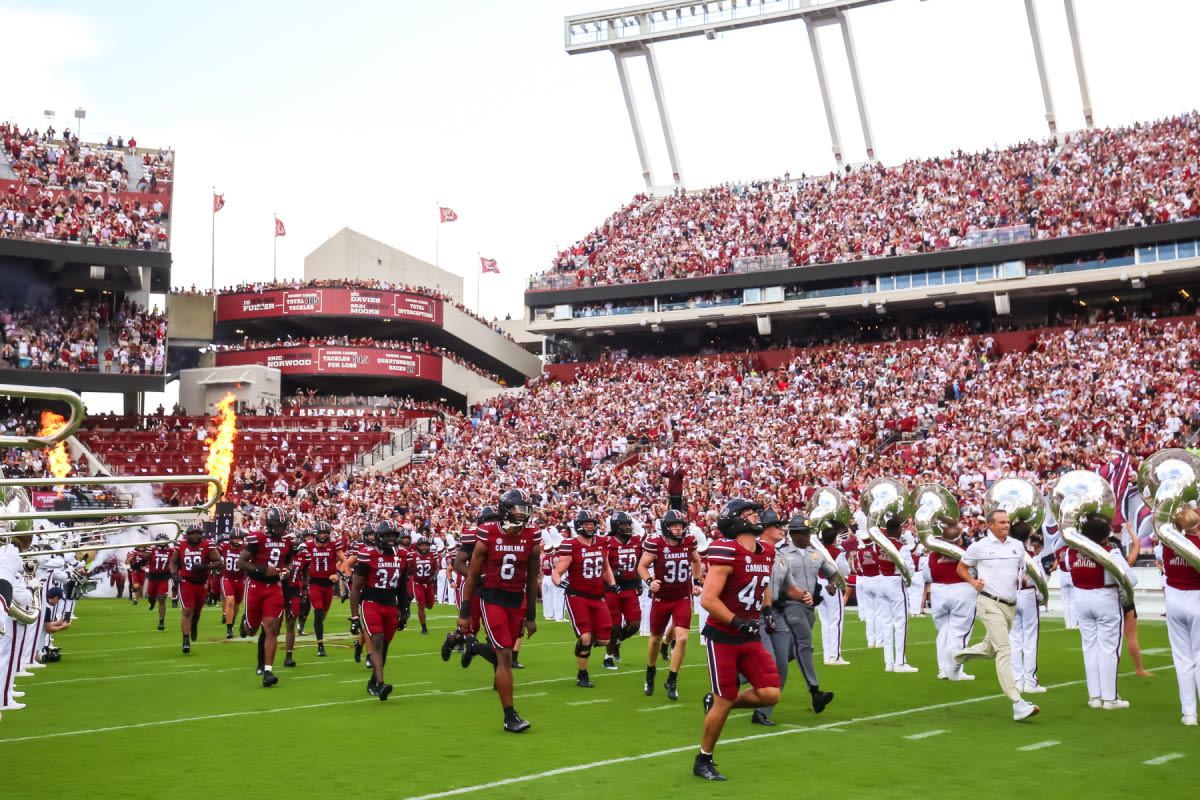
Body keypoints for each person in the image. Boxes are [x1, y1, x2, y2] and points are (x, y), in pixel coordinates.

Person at [694, 498, 780, 782]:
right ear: (734, 520)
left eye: (755, 512)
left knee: (770, 693)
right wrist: (737, 622)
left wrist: (766, 609)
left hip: (749, 632)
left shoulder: (766, 550)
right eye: (749, 512)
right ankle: (703, 759)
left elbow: (763, 583)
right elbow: (708, 598)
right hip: (723, 636)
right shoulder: (726, 550)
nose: (756, 516)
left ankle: (721, 702)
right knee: (725, 698)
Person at [457, 488, 540, 733]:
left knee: (503, 653)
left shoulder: (532, 537)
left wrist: (532, 616)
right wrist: (464, 612)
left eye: (526, 509)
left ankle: (474, 647)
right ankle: (509, 716)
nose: (523, 514)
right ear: (505, 511)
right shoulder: (489, 534)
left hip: (517, 601)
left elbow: (532, 578)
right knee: (505, 656)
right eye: (519, 509)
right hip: (492, 599)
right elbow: (472, 576)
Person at [955, 509, 1040, 721]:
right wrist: (973, 582)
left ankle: (956, 657)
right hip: (988, 602)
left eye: (1008, 522)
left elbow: (1021, 571)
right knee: (1004, 650)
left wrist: (1025, 578)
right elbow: (962, 567)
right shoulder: (979, 547)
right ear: (990, 525)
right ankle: (1018, 703)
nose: (1006, 525)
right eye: (1002, 522)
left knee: (990, 649)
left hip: (1010, 604)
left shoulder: (1017, 546)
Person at [1068, 512, 1136, 710]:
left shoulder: (1070, 551)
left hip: (1080, 598)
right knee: (1109, 649)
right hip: (1105, 598)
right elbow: (1131, 579)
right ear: (1105, 536)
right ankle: (1110, 698)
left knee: (1089, 647)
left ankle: (1095, 697)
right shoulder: (1111, 552)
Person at [639, 508, 702, 701]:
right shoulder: (656, 544)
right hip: (661, 598)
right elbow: (642, 566)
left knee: (682, 638)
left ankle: (672, 679)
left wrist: (697, 582)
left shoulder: (689, 542)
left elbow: (696, 561)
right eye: (674, 526)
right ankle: (650, 671)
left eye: (681, 526)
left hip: (682, 597)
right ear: (667, 528)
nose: (678, 529)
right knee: (655, 638)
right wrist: (650, 581)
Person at [552, 509, 616, 688]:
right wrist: (560, 583)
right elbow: (557, 572)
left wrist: (612, 583)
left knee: (604, 639)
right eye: (586, 523)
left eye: (592, 523)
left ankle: (582, 646)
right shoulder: (571, 544)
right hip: (577, 595)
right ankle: (583, 674)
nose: (590, 526)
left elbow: (606, 567)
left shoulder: (603, 542)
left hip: (598, 596)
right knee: (586, 637)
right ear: (579, 526)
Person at [349, 520, 410, 700]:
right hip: (371, 603)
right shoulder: (368, 555)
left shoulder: (403, 556)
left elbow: (402, 587)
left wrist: (404, 610)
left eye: (393, 536)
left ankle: (372, 683)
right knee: (377, 641)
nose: (391, 539)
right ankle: (382, 684)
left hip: (390, 604)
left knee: (384, 648)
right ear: (379, 537)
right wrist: (354, 617)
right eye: (387, 535)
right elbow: (356, 588)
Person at [237, 506, 297, 687]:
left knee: (271, 629)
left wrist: (287, 570)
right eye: (278, 526)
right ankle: (245, 622)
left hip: (274, 587)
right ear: (270, 525)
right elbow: (241, 562)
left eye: (283, 525)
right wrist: (261, 569)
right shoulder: (257, 538)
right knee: (251, 630)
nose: (281, 529)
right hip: (255, 585)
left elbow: (289, 560)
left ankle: (268, 671)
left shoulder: (288, 539)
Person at [921, 520, 976, 681]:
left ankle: (943, 669)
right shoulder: (967, 553)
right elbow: (974, 572)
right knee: (959, 633)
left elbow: (927, 576)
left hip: (939, 592)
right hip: (963, 590)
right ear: (960, 540)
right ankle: (956, 670)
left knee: (943, 632)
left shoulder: (933, 555)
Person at [862, 517, 918, 672]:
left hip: (882, 580)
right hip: (895, 581)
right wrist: (907, 580)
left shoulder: (879, 544)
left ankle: (889, 662)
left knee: (886, 622)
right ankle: (900, 662)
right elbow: (909, 569)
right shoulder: (901, 546)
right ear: (899, 529)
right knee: (901, 623)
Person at [1163, 507, 1200, 726]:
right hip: (1196, 597)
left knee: (1182, 658)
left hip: (1174, 599)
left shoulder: (1167, 544)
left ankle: (1189, 713)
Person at [168, 523, 220, 654]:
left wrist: (205, 567)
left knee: (196, 612)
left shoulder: (208, 545)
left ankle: (194, 625)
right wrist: (174, 575)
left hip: (201, 583)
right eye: (192, 534)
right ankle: (185, 641)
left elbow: (219, 562)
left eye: (197, 533)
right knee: (187, 611)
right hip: (186, 582)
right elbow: (173, 562)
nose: (195, 536)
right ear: (188, 535)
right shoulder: (181, 545)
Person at [1008, 520, 1047, 693]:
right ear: (1028, 537)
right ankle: (1030, 681)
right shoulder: (1031, 554)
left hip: (1011, 595)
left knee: (1015, 637)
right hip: (1028, 594)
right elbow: (1040, 578)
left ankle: (1017, 680)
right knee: (1030, 638)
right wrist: (1040, 596)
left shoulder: (1006, 552)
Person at [602, 511, 643, 669]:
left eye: (628, 524)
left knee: (635, 624)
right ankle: (608, 656)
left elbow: (638, 563)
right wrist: (612, 574)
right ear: (615, 526)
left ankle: (617, 642)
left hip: (630, 587)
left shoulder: (636, 542)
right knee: (615, 626)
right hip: (613, 588)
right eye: (623, 524)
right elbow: (602, 565)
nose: (627, 527)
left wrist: (639, 582)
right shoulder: (608, 543)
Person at [305, 521, 344, 657]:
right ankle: (320, 645)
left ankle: (317, 628)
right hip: (314, 583)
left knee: (323, 615)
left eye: (325, 533)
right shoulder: (309, 546)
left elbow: (344, 561)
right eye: (321, 533)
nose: (323, 535)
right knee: (319, 612)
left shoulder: (334, 545)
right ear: (316, 533)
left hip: (328, 584)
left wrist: (338, 573)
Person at [816, 521, 851, 666]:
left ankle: (827, 655)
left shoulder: (817, 550)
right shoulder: (838, 553)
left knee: (825, 622)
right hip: (832, 585)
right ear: (835, 539)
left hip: (819, 584)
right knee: (836, 620)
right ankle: (835, 656)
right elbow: (845, 571)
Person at [219, 529, 246, 639]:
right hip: (228, 578)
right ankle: (229, 629)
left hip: (240, 579)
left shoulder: (245, 548)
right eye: (235, 538)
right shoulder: (224, 547)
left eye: (238, 538)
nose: (236, 540)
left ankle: (232, 622)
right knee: (229, 600)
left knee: (236, 605)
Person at [409, 534, 438, 635]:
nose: (424, 547)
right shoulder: (413, 555)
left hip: (429, 584)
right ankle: (424, 627)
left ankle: (423, 605)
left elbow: (436, 566)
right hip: (418, 583)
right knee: (421, 605)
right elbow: (408, 567)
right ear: (418, 546)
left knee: (429, 606)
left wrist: (435, 575)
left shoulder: (432, 554)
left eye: (426, 545)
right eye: (422, 545)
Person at [145, 534, 173, 631]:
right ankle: (152, 603)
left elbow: (176, 561)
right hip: (153, 577)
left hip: (164, 577)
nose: (162, 542)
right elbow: (145, 557)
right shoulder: (151, 549)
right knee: (151, 598)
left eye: (164, 540)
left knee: (162, 598)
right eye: (160, 540)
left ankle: (161, 621)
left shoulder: (171, 551)